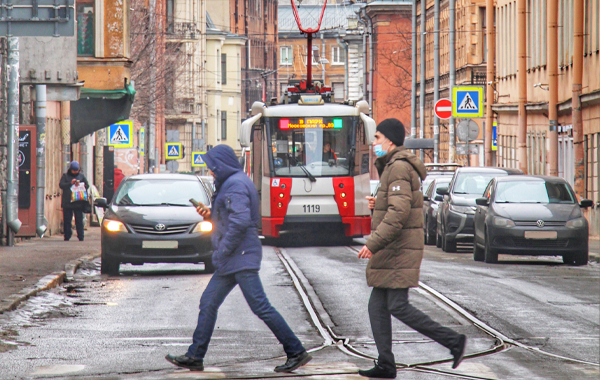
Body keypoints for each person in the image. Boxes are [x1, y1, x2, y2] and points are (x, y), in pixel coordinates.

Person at [166, 145, 312, 373]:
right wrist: (211, 214)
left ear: (221, 165)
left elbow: (240, 221)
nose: (211, 172)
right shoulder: (232, 182)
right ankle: (195, 356)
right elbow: (230, 216)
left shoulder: (234, 184)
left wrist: (223, 249)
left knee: (260, 306)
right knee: (208, 302)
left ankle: (296, 350)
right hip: (234, 258)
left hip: (240, 256)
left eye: (212, 167)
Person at [358, 119, 467, 379]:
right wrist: (378, 204)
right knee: (377, 306)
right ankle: (385, 363)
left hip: (397, 249)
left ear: (391, 141)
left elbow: (398, 213)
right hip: (395, 249)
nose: (374, 144)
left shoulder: (397, 168)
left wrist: (372, 244)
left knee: (397, 305)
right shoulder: (394, 167)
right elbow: (398, 204)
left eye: (377, 138)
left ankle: (453, 341)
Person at [59, 161, 89, 242]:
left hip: (78, 202)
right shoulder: (65, 176)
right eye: (74, 171)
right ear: (71, 169)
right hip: (68, 202)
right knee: (67, 220)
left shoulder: (81, 176)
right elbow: (61, 185)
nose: (75, 172)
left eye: (77, 170)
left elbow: (87, 185)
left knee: (79, 220)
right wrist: (70, 183)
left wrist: (81, 185)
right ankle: (67, 235)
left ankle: (81, 236)